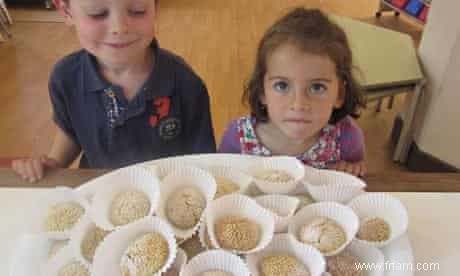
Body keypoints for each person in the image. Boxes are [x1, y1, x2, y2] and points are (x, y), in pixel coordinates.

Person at [12, 0, 216, 182]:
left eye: (137, 11)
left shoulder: (187, 84)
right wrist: (55, 164)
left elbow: (202, 164)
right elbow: (72, 132)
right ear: (66, 11)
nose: (119, 28)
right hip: (99, 191)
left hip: (165, 195)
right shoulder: (65, 78)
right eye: (97, 13)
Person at [219, 8, 366, 176]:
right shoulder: (237, 139)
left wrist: (352, 168)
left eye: (317, 87)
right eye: (282, 86)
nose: (299, 104)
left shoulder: (346, 139)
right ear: (262, 92)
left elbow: (356, 170)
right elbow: (223, 178)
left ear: (340, 94)